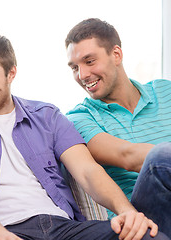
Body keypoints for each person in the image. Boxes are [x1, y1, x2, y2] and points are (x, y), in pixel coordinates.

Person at [0, 29, 168, 240]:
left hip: (65, 229)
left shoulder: (47, 116)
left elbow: (88, 172)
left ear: (11, 74)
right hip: (2, 231)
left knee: (145, 235)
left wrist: (126, 212)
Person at [65, 18, 171, 235]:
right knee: (159, 157)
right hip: (143, 221)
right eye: (75, 67)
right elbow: (129, 157)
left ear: (116, 55)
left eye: (90, 61)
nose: (82, 75)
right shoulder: (80, 118)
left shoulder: (165, 90)